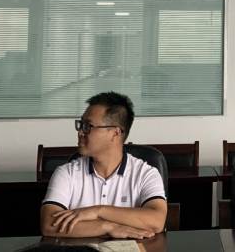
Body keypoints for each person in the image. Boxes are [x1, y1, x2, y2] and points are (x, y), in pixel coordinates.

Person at [40, 92, 167, 238]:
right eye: (81, 125)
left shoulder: (146, 173)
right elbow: (49, 224)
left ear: (115, 133)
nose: (80, 132)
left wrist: (98, 211)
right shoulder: (66, 173)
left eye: (88, 126)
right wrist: (108, 227)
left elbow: (157, 221)